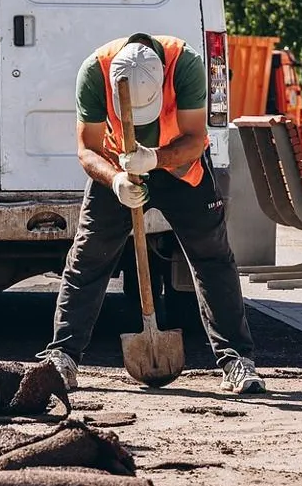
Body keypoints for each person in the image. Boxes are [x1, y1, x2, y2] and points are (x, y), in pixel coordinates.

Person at [37, 33, 264, 395]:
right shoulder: (95, 73)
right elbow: (87, 149)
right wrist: (116, 183)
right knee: (88, 258)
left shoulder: (185, 65)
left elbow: (194, 137)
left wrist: (155, 158)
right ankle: (62, 358)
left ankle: (238, 360)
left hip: (180, 167)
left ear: (161, 81)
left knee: (212, 257)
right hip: (120, 167)